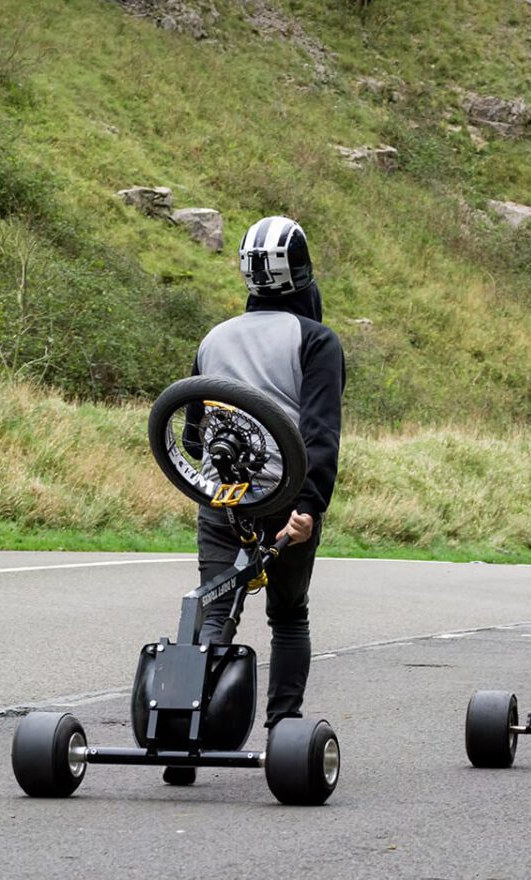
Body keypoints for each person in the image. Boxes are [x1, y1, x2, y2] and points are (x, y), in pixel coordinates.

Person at [191, 215, 345, 757]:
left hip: (220, 497)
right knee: (287, 614)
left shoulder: (215, 338)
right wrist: (307, 506)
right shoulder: (316, 340)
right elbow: (320, 433)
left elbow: (191, 435)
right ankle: (285, 733)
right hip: (285, 500)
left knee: (214, 612)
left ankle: (189, 736)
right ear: (302, 270)